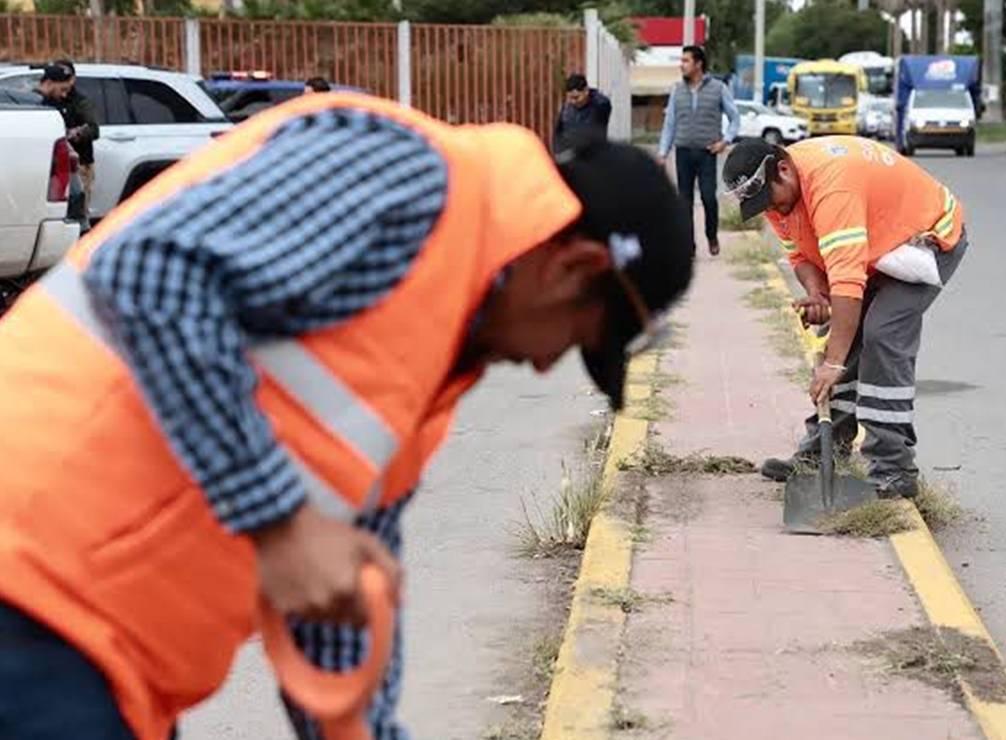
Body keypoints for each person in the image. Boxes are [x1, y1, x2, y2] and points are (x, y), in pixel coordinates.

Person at [0, 94, 693, 739]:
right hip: (30, 587)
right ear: (571, 267)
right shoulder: (409, 176)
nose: (546, 365)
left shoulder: (437, 352)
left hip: (105, 661)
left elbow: (341, 595)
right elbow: (151, 275)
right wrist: (278, 521)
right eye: (577, 340)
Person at [722, 136, 968, 498]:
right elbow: (800, 257)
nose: (771, 210)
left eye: (770, 200)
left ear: (784, 169)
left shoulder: (831, 188)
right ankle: (825, 452)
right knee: (844, 335)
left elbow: (849, 282)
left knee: (881, 334)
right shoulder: (778, 196)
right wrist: (817, 293)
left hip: (923, 240)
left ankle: (894, 468)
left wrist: (832, 364)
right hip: (878, 247)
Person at [657, 44, 739, 256]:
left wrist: (725, 141)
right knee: (684, 201)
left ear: (698, 64)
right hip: (683, 151)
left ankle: (711, 236)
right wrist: (662, 153)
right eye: (681, 61)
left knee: (708, 197)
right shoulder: (677, 90)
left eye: (686, 61)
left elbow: (734, 118)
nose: (681, 65)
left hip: (707, 153)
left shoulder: (718, 88)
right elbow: (670, 123)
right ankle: (689, 245)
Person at [52, 60, 101, 214]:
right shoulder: (51, 98)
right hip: (56, 165)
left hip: (79, 165)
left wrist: (74, 134)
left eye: (65, 79)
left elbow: (93, 129)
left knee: (79, 213)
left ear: (73, 79)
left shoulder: (80, 102)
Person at [552, 73, 612, 153]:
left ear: (586, 91)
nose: (573, 101)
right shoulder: (566, 109)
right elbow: (558, 132)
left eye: (576, 98)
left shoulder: (599, 105)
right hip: (570, 156)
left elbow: (604, 103)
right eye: (570, 98)